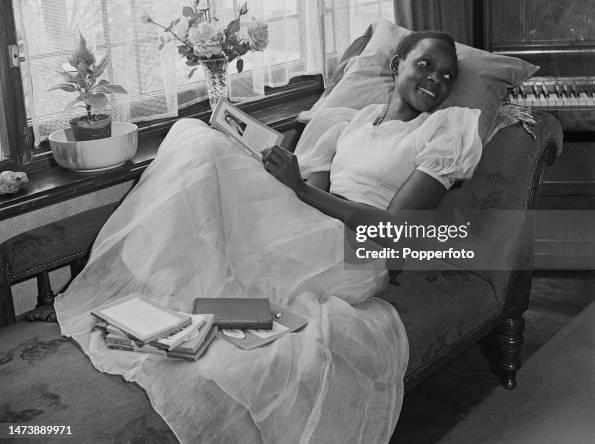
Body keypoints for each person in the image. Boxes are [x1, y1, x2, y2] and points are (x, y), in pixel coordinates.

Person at [55, 31, 482, 444]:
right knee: (197, 137)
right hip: (314, 227)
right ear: (396, 65)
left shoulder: (443, 131)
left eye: (447, 76)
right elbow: (310, 192)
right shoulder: (346, 124)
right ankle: (157, 299)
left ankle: (155, 289)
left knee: (198, 143)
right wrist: (279, 177)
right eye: (425, 65)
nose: (436, 80)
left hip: (358, 252)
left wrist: (298, 189)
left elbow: (396, 233)